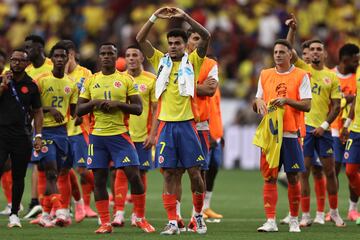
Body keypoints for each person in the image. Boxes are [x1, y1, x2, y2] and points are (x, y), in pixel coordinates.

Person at [136, 6, 211, 235]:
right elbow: (140, 39)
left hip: (188, 124)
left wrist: (185, 17)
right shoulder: (160, 61)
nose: (174, 46)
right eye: (171, 43)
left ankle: (198, 216)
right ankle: (172, 221)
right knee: (169, 174)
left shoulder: (194, 61)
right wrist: (154, 16)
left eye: (178, 43)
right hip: (166, 127)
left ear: (186, 44)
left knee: (195, 173)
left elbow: (206, 36)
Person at [77, 42, 155, 234]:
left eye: (109, 54)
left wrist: (117, 104)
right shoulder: (90, 81)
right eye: (102, 53)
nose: (106, 57)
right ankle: (105, 222)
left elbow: (138, 108)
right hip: (97, 138)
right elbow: (78, 110)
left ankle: (140, 218)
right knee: (99, 181)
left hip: (120, 136)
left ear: (115, 56)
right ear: (99, 57)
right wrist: (95, 102)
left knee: (134, 176)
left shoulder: (126, 80)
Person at [253, 39, 312, 233]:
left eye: (281, 52)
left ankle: (294, 220)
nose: (277, 55)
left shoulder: (301, 75)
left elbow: (307, 105)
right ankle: (270, 221)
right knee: (269, 178)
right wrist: (258, 103)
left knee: (294, 177)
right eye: (275, 52)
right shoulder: (265, 74)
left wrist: (287, 100)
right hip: (271, 135)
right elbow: (258, 99)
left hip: (291, 134)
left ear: (290, 54)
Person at [281, 15, 326, 226]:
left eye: (316, 50)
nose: (310, 55)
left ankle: (324, 212)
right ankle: (300, 214)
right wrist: (293, 30)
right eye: (308, 51)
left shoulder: (329, 75)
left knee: (320, 171)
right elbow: (287, 48)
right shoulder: (301, 71)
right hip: (303, 127)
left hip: (324, 128)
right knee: (303, 171)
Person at [174, 29, 219, 232]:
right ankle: (175, 217)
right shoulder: (173, 61)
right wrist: (197, 85)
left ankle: (196, 216)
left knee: (197, 172)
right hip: (177, 121)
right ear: (187, 42)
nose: (197, 42)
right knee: (174, 172)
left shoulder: (210, 64)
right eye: (194, 38)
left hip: (200, 125)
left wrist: (185, 85)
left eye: (200, 39)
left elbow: (210, 90)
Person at [31, 43, 78, 228]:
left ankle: (45, 214)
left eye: (62, 56)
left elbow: (74, 112)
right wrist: (49, 109)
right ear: (52, 59)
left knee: (57, 173)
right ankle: (60, 210)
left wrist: (88, 109)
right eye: (56, 56)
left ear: (67, 59)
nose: (59, 59)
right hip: (44, 132)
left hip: (62, 133)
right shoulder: (41, 80)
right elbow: (31, 108)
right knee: (50, 173)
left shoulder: (71, 84)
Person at [112, 44, 158, 227]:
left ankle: (138, 214)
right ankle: (119, 213)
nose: (131, 58)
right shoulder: (119, 79)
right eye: (128, 55)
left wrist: (153, 134)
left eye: (134, 55)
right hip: (123, 134)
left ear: (141, 58)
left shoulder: (151, 79)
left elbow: (156, 109)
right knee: (121, 172)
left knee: (141, 174)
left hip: (143, 136)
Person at [0, 49, 43, 228]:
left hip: (21, 136)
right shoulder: (2, 80)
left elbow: (38, 111)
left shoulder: (32, 85)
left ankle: (14, 214)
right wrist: (3, 86)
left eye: (20, 60)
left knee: (19, 176)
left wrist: (38, 135)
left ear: (27, 64)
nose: (16, 63)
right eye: (13, 60)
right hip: (1, 134)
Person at [59, 39, 97, 222]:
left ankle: (101, 193)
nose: (60, 61)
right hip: (61, 130)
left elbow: (89, 98)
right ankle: (68, 209)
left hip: (80, 129)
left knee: (82, 169)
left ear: (71, 55)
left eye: (64, 56)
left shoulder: (85, 73)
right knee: (63, 171)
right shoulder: (57, 74)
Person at [24, 35, 53, 220]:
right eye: (25, 47)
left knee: (54, 164)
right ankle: (36, 201)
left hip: (56, 122)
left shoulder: (52, 65)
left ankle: (57, 202)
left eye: (30, 47)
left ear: (40, 48)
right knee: (38, 163)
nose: (27, 51)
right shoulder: (26, 70)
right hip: (34, 121)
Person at [335, 44, 359, 222]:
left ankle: (353, 208)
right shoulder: (331, 75)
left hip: (353, 129)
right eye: (355, 58)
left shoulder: (356, 74)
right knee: (342, 171)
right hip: (346, 129)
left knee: (351, 170)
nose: (357, 61)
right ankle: (334, 209)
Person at [343, 63, 360, 225]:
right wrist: (347, 123)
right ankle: (352, 209)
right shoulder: (358, 69)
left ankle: (353, 209)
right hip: (355, 130)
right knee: (350, 171)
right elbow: (356, 99)